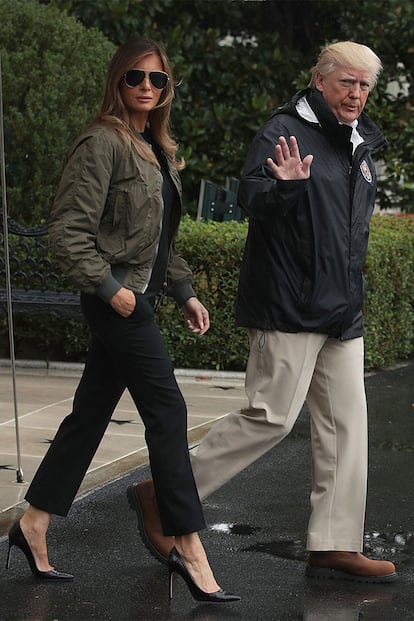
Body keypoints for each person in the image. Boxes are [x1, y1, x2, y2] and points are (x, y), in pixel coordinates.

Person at [127, 41, 399, 584]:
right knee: (270, 418)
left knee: (348, 428)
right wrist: (288, 189)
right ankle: (164, 495)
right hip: (289, 303)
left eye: (365, 86)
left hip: (342, 310)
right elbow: (255, 201)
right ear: (320, 80)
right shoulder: (283, 130)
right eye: (347, 82)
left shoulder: (360, 141)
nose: (357, 94)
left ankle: (335, 544)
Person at [5, 38, 239, 604]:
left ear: (167, 90)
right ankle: (186, 543)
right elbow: (68, 232)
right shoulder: (101, 143)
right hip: (117, 301)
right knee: (168, 409)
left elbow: (160, 239)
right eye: (136, 77)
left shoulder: (154, 148)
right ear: (118, 81)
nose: (146, 87)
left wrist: (183, 291)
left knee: (90, 415)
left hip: (141, 297)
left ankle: (33, 521)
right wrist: (113, 293)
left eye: (157, 80)